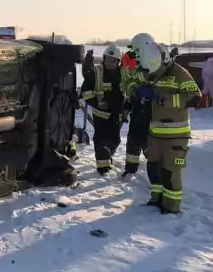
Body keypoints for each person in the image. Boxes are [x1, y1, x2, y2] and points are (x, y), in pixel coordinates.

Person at [137, 42, 202, 214]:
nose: (152, 74)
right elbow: (139, 82)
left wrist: (167, 100)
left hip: (176, 135)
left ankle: (171, 207)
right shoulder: (152, 71)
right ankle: (156, 199)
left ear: (165, 60)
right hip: (155, 133)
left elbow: (196, 98)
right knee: (153, 169)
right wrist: (138, 90)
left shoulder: (180, 74)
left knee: (170, 173)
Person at [80, 44, 124, 175]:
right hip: (101, 114)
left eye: (115, 60)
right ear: (104, 58)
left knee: (115, 139)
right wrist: (96, 103)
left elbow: (127, 90)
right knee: (101, 139)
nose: (112, 62)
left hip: (117, 114)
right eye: (109, 59)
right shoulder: (96, 72)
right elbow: (86, 90)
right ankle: (103, 168)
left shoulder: (123, 73)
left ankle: (106, 157)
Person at [120, 37, 151, 178]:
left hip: (152, 110)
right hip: (138, 107)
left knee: (149, 142)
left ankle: (154, 171)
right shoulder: (135, 65)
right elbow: (128, 82)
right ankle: (130, 169)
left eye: (134, 49)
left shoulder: (154, 64)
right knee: (133, 139)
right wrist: (132, 94)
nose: (132, 52)